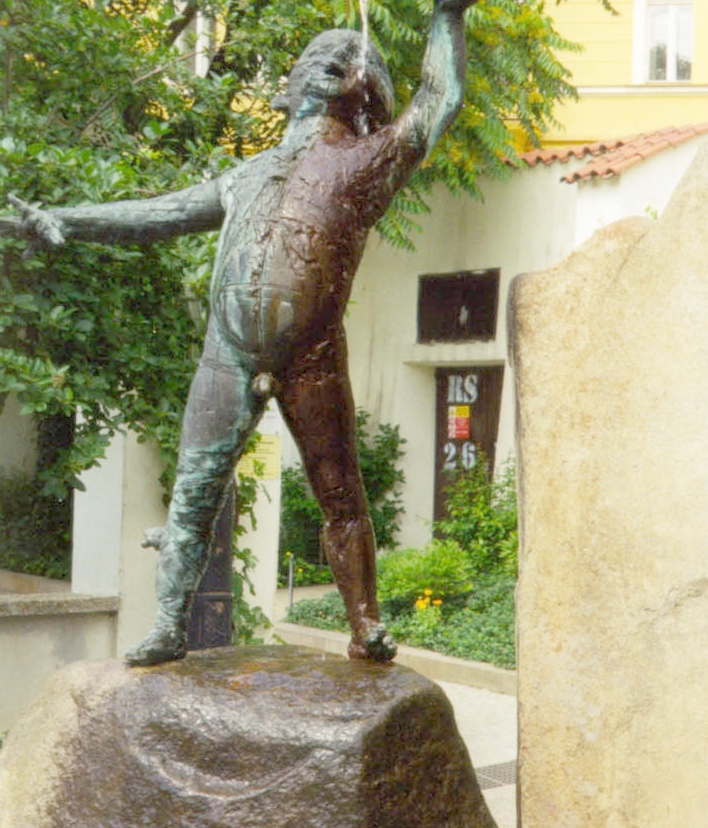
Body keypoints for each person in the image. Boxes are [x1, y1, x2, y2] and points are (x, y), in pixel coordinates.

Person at [1, 0, 476, 665]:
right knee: (194, 491)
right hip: (226, 350)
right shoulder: (246, 174)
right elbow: (156, 213)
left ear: (368, 90)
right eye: (321, 55)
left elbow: (439, 100)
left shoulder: (372, 160)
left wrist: (446, 16)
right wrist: (66, 220)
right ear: (288, 89)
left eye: (351, 55)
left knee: (340, 492)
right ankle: (169, 624)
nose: (339, 58)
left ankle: (365, 625)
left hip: (311, 350)